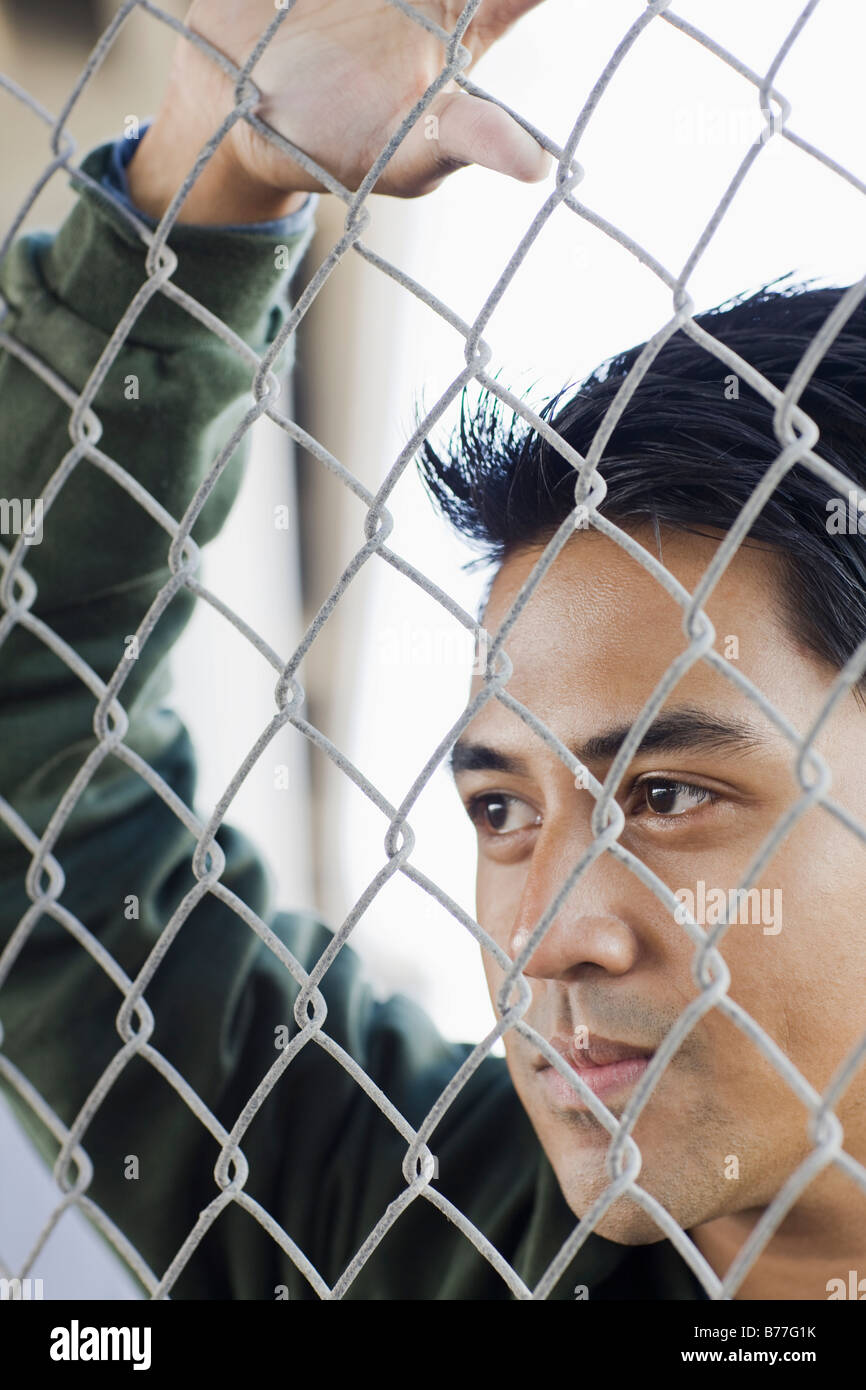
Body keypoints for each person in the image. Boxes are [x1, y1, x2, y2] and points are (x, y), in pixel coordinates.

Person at [1, 0, 863, 1301]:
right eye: (499, 808)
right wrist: (209, 171)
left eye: (669, 794)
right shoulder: (422, 1215)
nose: (548, 936)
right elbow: (36, 729)